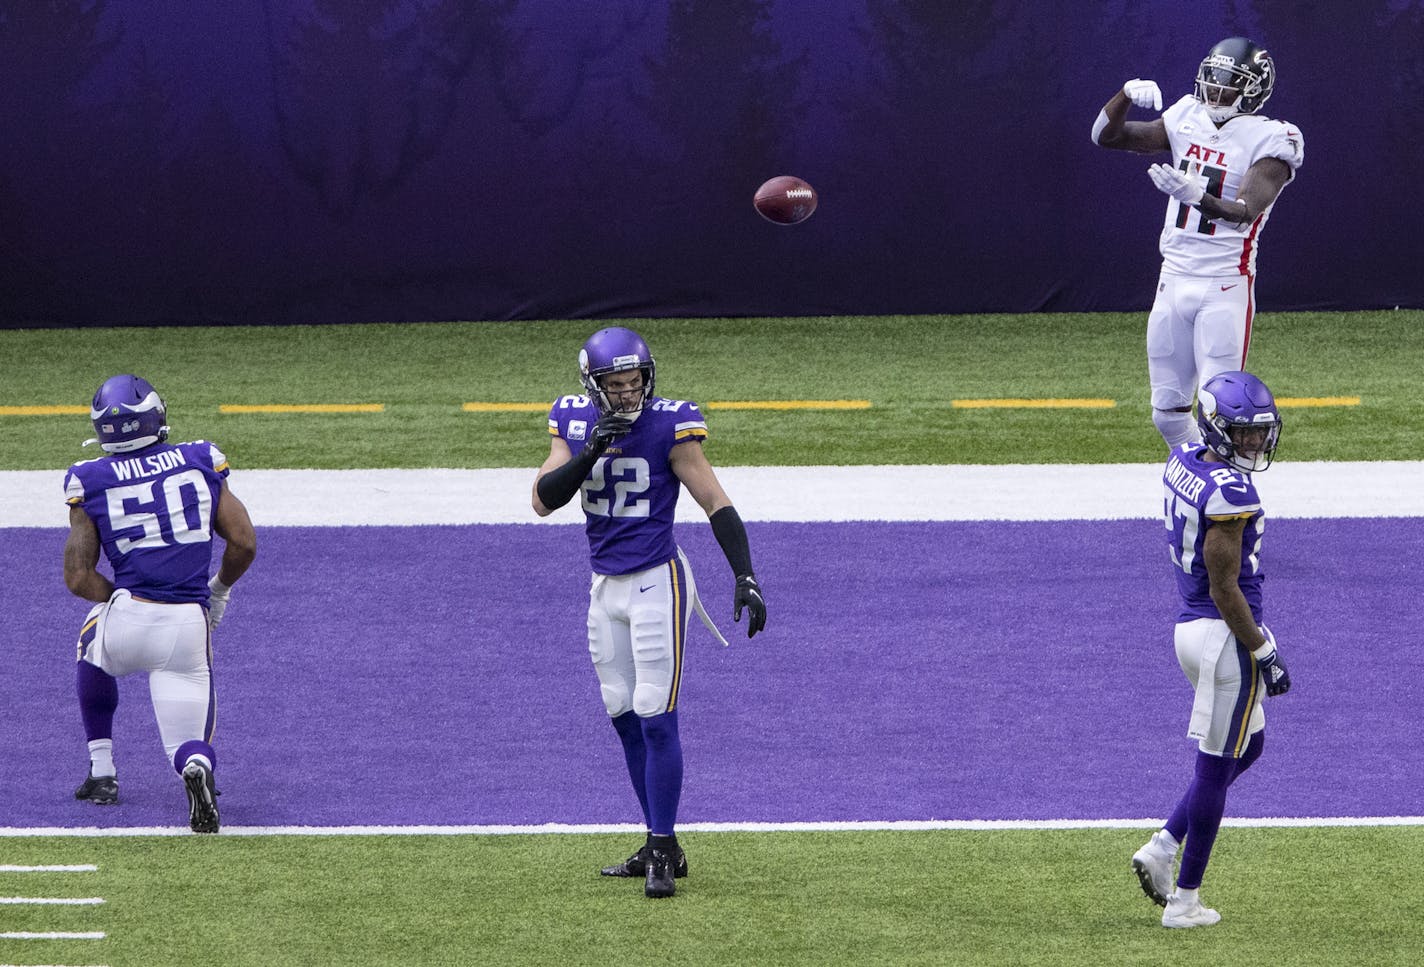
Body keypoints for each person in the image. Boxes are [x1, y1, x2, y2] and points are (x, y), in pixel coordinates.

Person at [532, 326, 767, 899]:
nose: (630, 392)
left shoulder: (670, 423)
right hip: (604, 586)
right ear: (594, 386)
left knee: (656, 715)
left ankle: (663, 846)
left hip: (657, 582)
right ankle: (656, 841)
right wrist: (592, 448)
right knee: (622, 715)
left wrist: (745, 573)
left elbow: (716, 500)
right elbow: (543, 499)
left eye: (636, 381)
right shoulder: (573, 422)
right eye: (617, 384)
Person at [1131, 370, 1292, 927]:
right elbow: (1226, 587)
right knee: (1213, 764)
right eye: (1242, 433)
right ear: (1216, 427)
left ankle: (1163, 844)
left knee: (1249, 746)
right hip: (1224, 635)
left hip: (1193, 630)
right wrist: (1263, 649)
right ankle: (1184, 901)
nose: (1252, 443)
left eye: (1257, 433)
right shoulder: (1232, 490)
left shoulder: (1185, 461)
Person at [63, 374, 256, 834]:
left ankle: (102, 771)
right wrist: (218, 591)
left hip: (127, 622)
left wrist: (123, 599)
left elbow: (77, 577)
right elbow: (244, 543)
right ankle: (196, 769)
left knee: (91, 639)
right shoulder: (199, 458)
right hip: (188, 626)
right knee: (187, 745)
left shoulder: (87, 479)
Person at [1091, 37, 1304, 448]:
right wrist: (1124, 95)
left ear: (1254, 90)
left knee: (1220, 412)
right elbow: (1107, 137)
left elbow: (1246, 211)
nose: (1215, 88)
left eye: (1228, 81)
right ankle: (1192, 494)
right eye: (1213, 76)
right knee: (1167, 414)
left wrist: (1198, 198)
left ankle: (1225, 503)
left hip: (1224, 284)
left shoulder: (1275, 138)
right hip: (1172, 277)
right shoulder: (1188, 114)